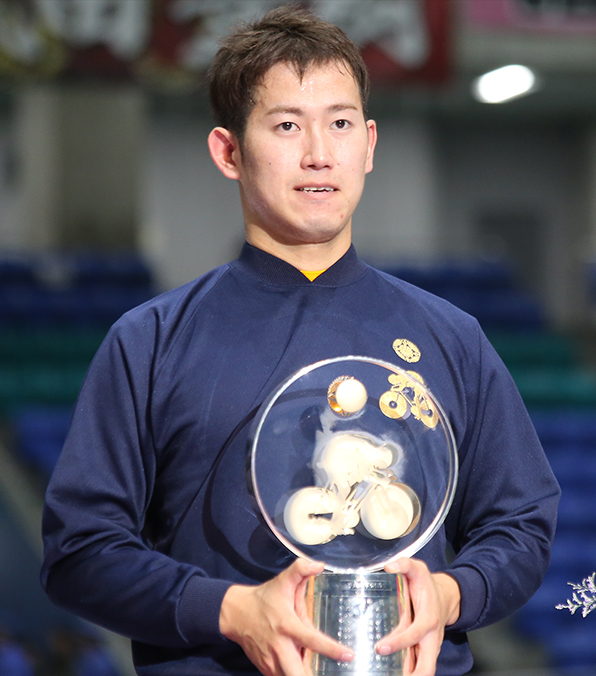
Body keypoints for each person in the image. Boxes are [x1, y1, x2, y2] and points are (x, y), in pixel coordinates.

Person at [41, 5, 560, 676]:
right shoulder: (150, 342)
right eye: (287, 125)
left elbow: (520, 523)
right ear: (229, 152)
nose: (319, 153)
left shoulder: (452, 337)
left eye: (340, 124)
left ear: (368, 144)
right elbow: (80, 551)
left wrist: (452, 593)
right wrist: (231, 610)